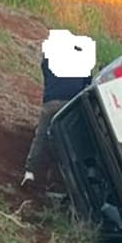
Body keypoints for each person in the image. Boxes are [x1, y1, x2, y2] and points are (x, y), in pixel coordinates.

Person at [22, 30, 95, 186]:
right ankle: (62, 179)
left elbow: (47, 74)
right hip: (70, 106)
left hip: (50, 103)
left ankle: (30, 172)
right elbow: (87, 84)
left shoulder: (48, 60)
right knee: (70, 141)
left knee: (40, 136)